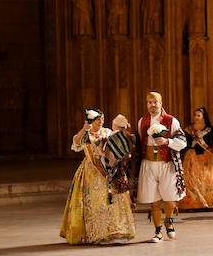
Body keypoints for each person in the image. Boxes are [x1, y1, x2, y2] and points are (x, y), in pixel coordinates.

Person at [60, 109, 135, 245]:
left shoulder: (107, 132)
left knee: (113, 200)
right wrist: (84, 129)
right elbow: (76, 144)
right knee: (97, 202)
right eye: (97, 119)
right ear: (90, 121)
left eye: (102, 119)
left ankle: (116, 230)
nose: (101, 122)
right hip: (91, 172)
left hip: (109, 170)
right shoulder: (86, 134)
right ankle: (99, 232)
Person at [135, 92, 187, 242]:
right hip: (149, 164)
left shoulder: (171, 121)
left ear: (161, 103)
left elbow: (182, 141)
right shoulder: (142, 122)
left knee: (170, 199)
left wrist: (166, 141)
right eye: (149, 102)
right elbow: (140, 143)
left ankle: (169, 219)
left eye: (155, 102)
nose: (152, 105)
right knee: (154, 200)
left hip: (167, 164)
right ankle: (158, 231)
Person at [179, 107, 213, 210]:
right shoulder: (189, 129)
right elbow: (186, 143)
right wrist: (193, 142)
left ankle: (210, 202)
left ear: (203, 117)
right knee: (192, 180)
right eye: (195, 115)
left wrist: (201, 139)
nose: (196, 117)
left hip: (207, 156)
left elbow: (212, 142)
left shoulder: (209, 129)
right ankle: (194, 203)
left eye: (198, 115)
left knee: (210, 179)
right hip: (192, 156)